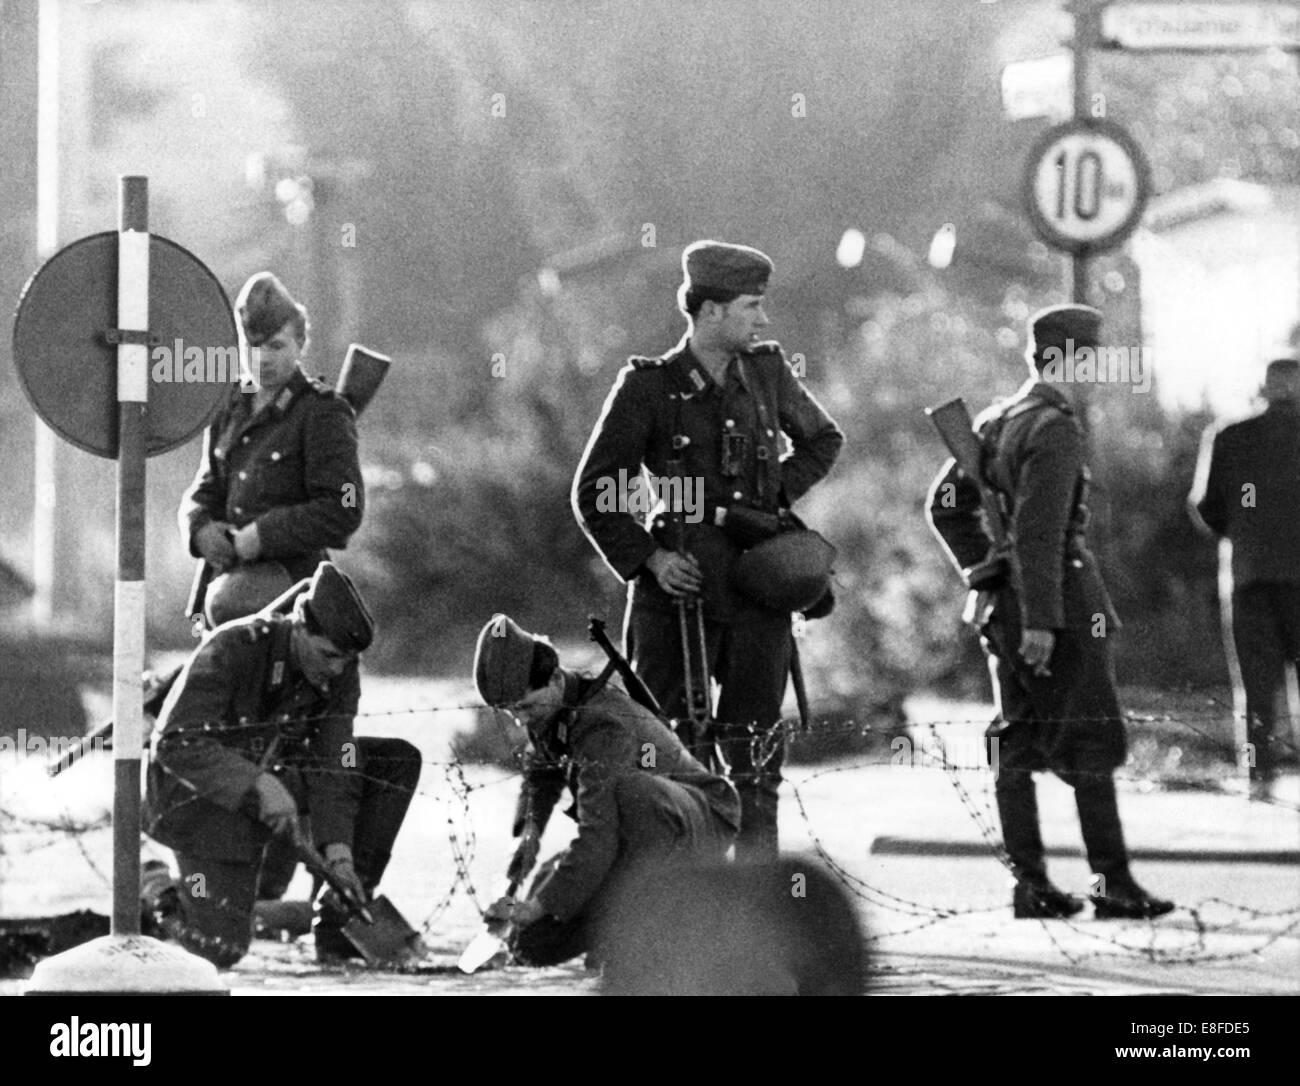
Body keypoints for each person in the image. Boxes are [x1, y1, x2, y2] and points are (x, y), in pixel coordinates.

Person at [572, 240, 843, 861]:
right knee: (666, 755)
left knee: (756, 758)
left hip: (760, 590)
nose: (763, 319)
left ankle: (755, 906)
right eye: (751, 306)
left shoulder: (767, 373)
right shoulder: (650, 387)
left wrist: (769, 500)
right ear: (711, 310)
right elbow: (597, 489)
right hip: (679, 596)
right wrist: (650, 560)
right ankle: (669, 904)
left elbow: (824, 439)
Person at [926, 304, 1173, 920]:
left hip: (1001, 608)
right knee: (1090, 736)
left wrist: (985, 571)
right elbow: (1039, 533)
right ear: (1069, 359)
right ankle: (1111, 884)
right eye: (1092, 359)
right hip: (1055, 604)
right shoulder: (1055, 427)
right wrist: (1041, 618)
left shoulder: (995, 422)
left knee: (1017, 741)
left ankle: (1030, 886)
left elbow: (945, 508)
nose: (1097, 372)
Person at [143, 562, 421, 967]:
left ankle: (337, 911)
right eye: (328, 656)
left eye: (345, 661)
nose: (336, 670)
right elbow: (175, 743)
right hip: (196, 801)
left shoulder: (340, 664)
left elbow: (335, 758)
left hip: (272, 780)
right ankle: (155, 884)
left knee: (390, 762)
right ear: (300, 627)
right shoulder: (233, 648)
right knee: (221, 950)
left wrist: (339, 851)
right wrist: (258, 785)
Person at [473, 613, 740, 968]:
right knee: (530, 944)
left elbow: (599, 834)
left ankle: (643, 930)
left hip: (697, 820)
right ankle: (620, 927)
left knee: (633, 793)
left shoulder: (602, 725)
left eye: (524, 706)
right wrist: (509, 888)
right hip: (632, 834)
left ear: (554, 679)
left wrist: (537, 905)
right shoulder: (549, 712)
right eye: (508, 712)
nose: (520, 721)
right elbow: (534, 808)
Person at [179, 271, 365, 626]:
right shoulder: (230, 405)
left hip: (294, 594)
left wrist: (265, 535)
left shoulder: (322, 413)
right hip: (226, 581)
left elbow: (346, 506)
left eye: (276, 346)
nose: (263, 359)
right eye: (253, 347)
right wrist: (197, 526)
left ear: (300, 344)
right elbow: (206, 487)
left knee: (231, 607)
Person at [1189, 357, 1300, 799]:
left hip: (1250, 574)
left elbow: (1205, 504)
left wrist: (1242, 532)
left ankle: (1258, 776)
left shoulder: (1230, 436)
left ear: (1263, 388)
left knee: (1255, 685)